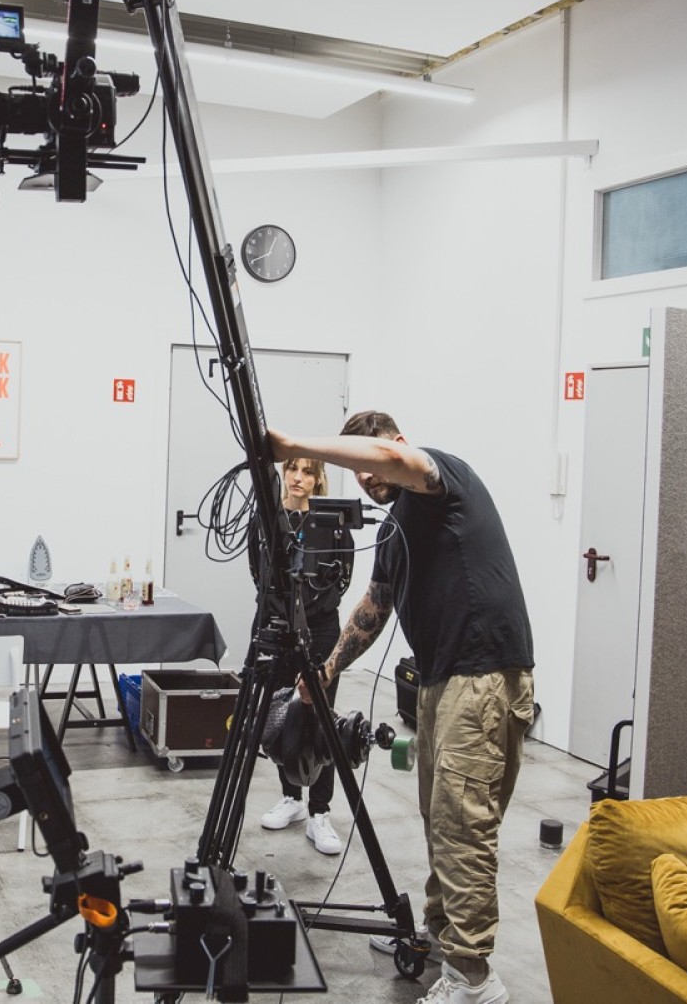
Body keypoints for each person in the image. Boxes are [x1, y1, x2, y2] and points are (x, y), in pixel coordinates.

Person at [270, 412, 534, 1004]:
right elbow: (374, 605)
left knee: (464, 825)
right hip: (442, 680)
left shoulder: (444, 478)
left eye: (369, 462)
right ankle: (444, 939)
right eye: (359, 471)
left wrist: (293, 446)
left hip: (483, 672)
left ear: (396, 444)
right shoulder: (394, 529)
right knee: (442, 819)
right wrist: (326, 671)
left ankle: (474, 980)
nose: (366, 477)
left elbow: (397, 463)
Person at [247, 456, 355, 855]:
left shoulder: (333, 524)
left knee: (321, 719)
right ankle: (291, 797)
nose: (298, 477)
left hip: (321, 629)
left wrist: (308, 612)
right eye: (293, 469)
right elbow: (258, 572)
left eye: (308, 471)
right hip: (277, 626)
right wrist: (281, 611)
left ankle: (319, 812)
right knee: (280, 714)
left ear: (318, 479)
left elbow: (341, 579)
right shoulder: (265, 521)